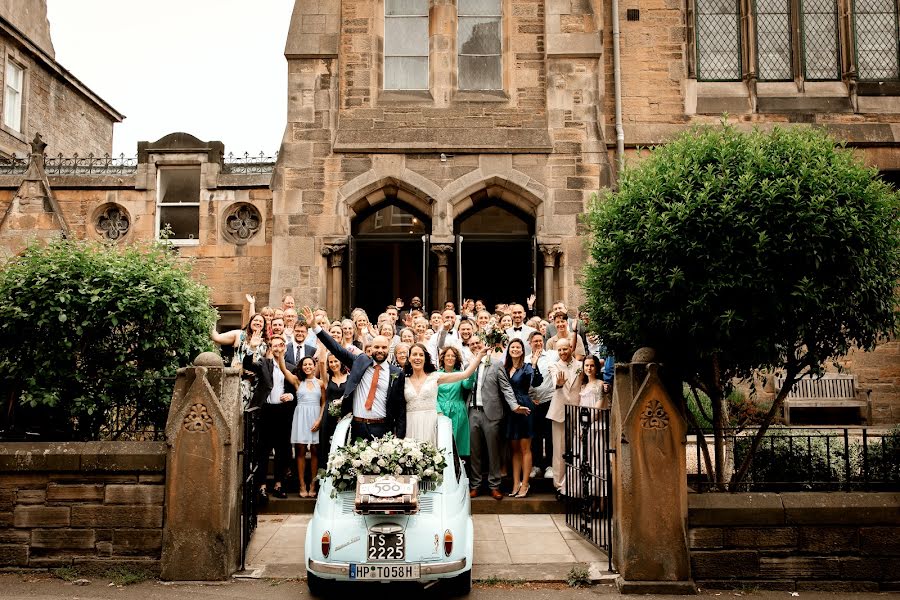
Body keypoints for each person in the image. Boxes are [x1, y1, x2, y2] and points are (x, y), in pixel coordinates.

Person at [303, 306, 406, 441]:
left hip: (382, 428)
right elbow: (336, 348)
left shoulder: (397, 373)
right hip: (358, 426)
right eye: (376, 347)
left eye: (383, 347)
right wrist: (315, 327)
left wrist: (399, 437)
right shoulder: (360, 361)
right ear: (371, 348)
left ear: (388, 349)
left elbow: (400, 408)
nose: (380, 350)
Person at [467, 336, 529, 500]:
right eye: (472, 344)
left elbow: (506, 388)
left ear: (485, 346)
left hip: (491, 413)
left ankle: (494, 485)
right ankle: (475, 485)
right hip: (472, 412)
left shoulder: (496, 364)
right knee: (475, 452)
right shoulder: (468, 366)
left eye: (478, 343)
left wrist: (514, 406)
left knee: (493, 451)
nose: (475, 346)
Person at [242, 334, 295, 501]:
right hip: (265, 412)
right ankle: (262, 486)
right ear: (271, 349)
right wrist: (252, 347)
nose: (278, 348)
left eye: (281, 345)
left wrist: (291, 396)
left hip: (283, 413)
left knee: (282, 450)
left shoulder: (292, 368)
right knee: (263, 451)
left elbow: (299, 389)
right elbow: (247, 364)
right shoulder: (264, 364)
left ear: (285, 348)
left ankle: (279, 484)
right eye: (274, 346)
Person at [404, 342, 483, 445]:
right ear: (409, 358)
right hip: (410, 423)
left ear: (425, 358)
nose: (418, 358)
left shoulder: (435, 377)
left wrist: (479, 357)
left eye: (421, 355)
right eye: (414, 354)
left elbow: (465, 374)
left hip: (431, 423)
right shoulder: (403, 380)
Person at [504, 338, 544, 498]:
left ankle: (525, 483)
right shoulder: (504, 368)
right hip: (510, 409)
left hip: (525, 407)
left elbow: (537, 382)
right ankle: (515, 483)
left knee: (525, 448)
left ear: (522, 350)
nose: (515, 349)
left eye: (518, 347)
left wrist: (534, 364)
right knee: (514, 450)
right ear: (509, 350)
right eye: (512, 347)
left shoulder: (527, 367)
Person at [282, 356, 325, 497]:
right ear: (301, 367)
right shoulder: (297, 381)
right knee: (300, 450)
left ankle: (313, 484)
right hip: (300, 416)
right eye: (304, 364)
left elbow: (324, 402)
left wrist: (319, 420)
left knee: (314, 451)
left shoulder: (320, 383)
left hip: (315, 417)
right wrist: (280, 354)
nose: (307, 367)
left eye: (310, 364)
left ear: (314, 366)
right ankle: (302, 484)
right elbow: (283, 369)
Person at [567, 355, 606, 503]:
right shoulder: (583, 386)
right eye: (586, 366)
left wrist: (587, 424)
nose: (589, 368)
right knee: (584, 460)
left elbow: (598, 408)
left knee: (597, 461)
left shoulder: (601, 384)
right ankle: (587, 496)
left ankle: (601, 500)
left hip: (595, 428)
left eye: (592, 366)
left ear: (597, 368)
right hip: (583, 427)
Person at [547, 339, 583, 494]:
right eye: (559, 350)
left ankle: (576, 483)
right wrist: (559, 383)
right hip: (559, 411)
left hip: (578, 410)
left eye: (564, 349)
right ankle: (559, 485)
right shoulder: (554, 366)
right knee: (559, 449)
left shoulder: (581, 366)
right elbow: (556, 380)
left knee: (578, 447)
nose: (562, 352)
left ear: (571, 348)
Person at [211, 313, 268, 406]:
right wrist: (211, 320)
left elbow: (267, 364)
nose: (258, 322)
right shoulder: (239, 334)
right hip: (238, 377)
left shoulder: (265, 342)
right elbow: (216, 338)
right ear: (250, 323)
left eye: (261, 321)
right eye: (255, 320)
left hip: (255, 382)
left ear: (264, 325)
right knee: (234, 406)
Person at [527, 330, 557, 480]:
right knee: (536, 435)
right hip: (533, 403)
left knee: (549, 434)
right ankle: (537, 465)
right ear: (529, 343)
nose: (538, 343)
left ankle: (550, 466)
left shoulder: (552, 355)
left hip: (549, 400)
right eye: (535, 341)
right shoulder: (526, 360)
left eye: (540, 340)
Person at [436, 346, 474, 460]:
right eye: (448, 355)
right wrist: (438, 410)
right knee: (442, 443)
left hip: (458, 411)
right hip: (441, 411)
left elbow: (467, 385)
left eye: (453, 356)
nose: (450, 358)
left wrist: (471, 371)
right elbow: (432, 395)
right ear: (443, 358)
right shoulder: (436, 374)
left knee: (457, 443)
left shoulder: (460, 374)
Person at [319, 353, 347, 468]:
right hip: (328, 416)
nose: (333, 364)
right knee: (326, 445)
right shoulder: (327, 378)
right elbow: (321, 362)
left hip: (344, 417)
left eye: (336, 361)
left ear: (341, 362)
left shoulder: (349, 377)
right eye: (331, 362)